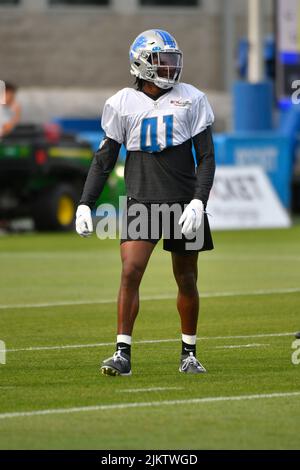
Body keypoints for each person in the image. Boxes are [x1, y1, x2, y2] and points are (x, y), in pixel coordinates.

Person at [76, 29, 216, 376]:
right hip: (143, 200)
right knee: (130, 271)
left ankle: (189, 353)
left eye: (172, 59)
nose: (170, 67)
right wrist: (85, 203)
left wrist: (199, 202)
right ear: (141, 64)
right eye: (161, 60)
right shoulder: (122, 103)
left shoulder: (192, 98)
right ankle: (122, 353)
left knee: (186, 277)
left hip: (184, 202)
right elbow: (104, 159)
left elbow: (207, 157)